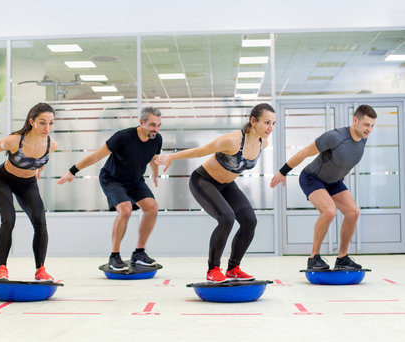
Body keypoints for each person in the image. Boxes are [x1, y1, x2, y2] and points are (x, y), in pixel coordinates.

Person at [156, 103, 275, 283]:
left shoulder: (262, 143)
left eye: (273, 123)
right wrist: (171, 157)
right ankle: (213, 270)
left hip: (227, 185)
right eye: (267, 122)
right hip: (203, 181)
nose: (270, 128)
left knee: (250, 221)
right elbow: (199, 151)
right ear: (253, 121)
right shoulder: (232, 140)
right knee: (226, 218)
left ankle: (234, 269)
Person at [270, 105, 377, 270]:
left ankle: (342, 258)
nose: (369, 129)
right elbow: (305, 152)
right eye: (366, 124)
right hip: (312, 178)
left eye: (372, 126)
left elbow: (347, 159)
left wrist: (342, 173)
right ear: (355, 120)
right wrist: (283, 172)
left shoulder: (363, 138)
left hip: (333, 181)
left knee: (353, 212)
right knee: (329, 211)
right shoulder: (335, 137)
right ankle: (314, 258)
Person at [58, 107, 162, 271]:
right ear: (141, 122)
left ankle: (139, 253)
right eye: (152, 125)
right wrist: (73, 171)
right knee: (126, 210)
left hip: (135, 181)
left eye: (158, 125)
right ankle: (114, 256)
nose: (156, 129)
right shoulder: (123, 137)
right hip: (112, 179)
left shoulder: (156, 139)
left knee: (152, 208)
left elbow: (153, 157)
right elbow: (97, 155)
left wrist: (155, 174)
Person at [0, 103, 57, 281]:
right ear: (31, 121)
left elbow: (44, 160)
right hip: (3, 180)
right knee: (8, 220)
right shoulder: (15, 140)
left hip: (27, 184)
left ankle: (40, 269)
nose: (47, 128)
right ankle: (2, 268)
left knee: (40, 223)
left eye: (51, 123)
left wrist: (38, 171)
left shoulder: (51, 144)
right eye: (42, 123)